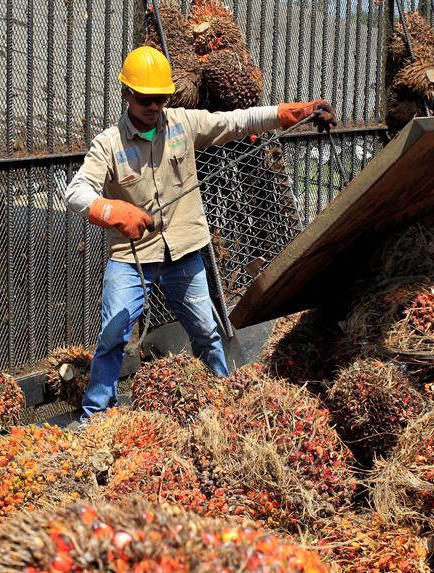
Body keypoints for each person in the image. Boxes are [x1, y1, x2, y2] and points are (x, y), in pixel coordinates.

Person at [63, 45, 336, 420]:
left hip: (184, 252)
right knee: (113, 337)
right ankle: (95, 416)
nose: (154, 106)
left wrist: (287, 113)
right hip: (133, 258)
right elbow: (76, 192)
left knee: (207, 332)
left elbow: (236, 121)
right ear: (126, 93)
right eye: (145, 98)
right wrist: (111, 209)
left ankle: (224, 401)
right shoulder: (108, 145)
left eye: (159, 98)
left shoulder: (183, 124)